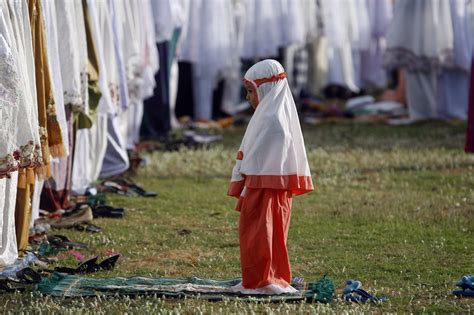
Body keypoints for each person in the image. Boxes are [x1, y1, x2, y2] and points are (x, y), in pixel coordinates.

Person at [228, 59, 314, 294]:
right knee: (253, 235)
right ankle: (254, 278)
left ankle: (267, 279)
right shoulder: (265, 116)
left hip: (268, 188)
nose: (248, 98)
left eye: (250, 91)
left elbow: (263, 157)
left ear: (265, 88)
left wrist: (245, 176)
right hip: (260, 187)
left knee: (266, 235)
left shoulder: (272, 120)